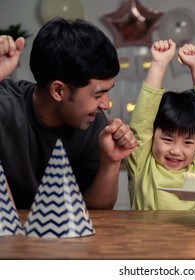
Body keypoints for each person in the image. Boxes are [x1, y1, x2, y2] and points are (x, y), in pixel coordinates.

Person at [0, 18, 137, 209]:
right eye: (98, 94)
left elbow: (97, 213)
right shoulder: (6, 106)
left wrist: (111, 162)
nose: (105, 104)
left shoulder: (93, 120)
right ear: (58, 91)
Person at [127, 39, 195, 210]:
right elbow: (143, 119)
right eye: (167, 140)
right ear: (152, 136)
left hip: (193, 238)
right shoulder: (142, 164)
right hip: (148, 238)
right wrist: (159, 64)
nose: (176, 151)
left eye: (188, 142)